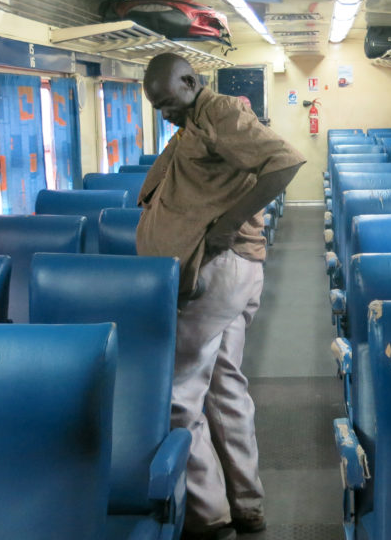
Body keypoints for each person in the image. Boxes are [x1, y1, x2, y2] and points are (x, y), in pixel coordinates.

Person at [136, 53, 305, 540]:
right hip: (222, 276)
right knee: (224, 387)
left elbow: (285, 161)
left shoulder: (220, 112)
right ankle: (246, 503)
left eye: (168, 103)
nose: (165, 114)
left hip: (217, 273)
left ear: (191, 81)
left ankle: (208, 515)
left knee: (177, 396)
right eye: (158, 108)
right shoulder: (195, 121)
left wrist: (224, 227)